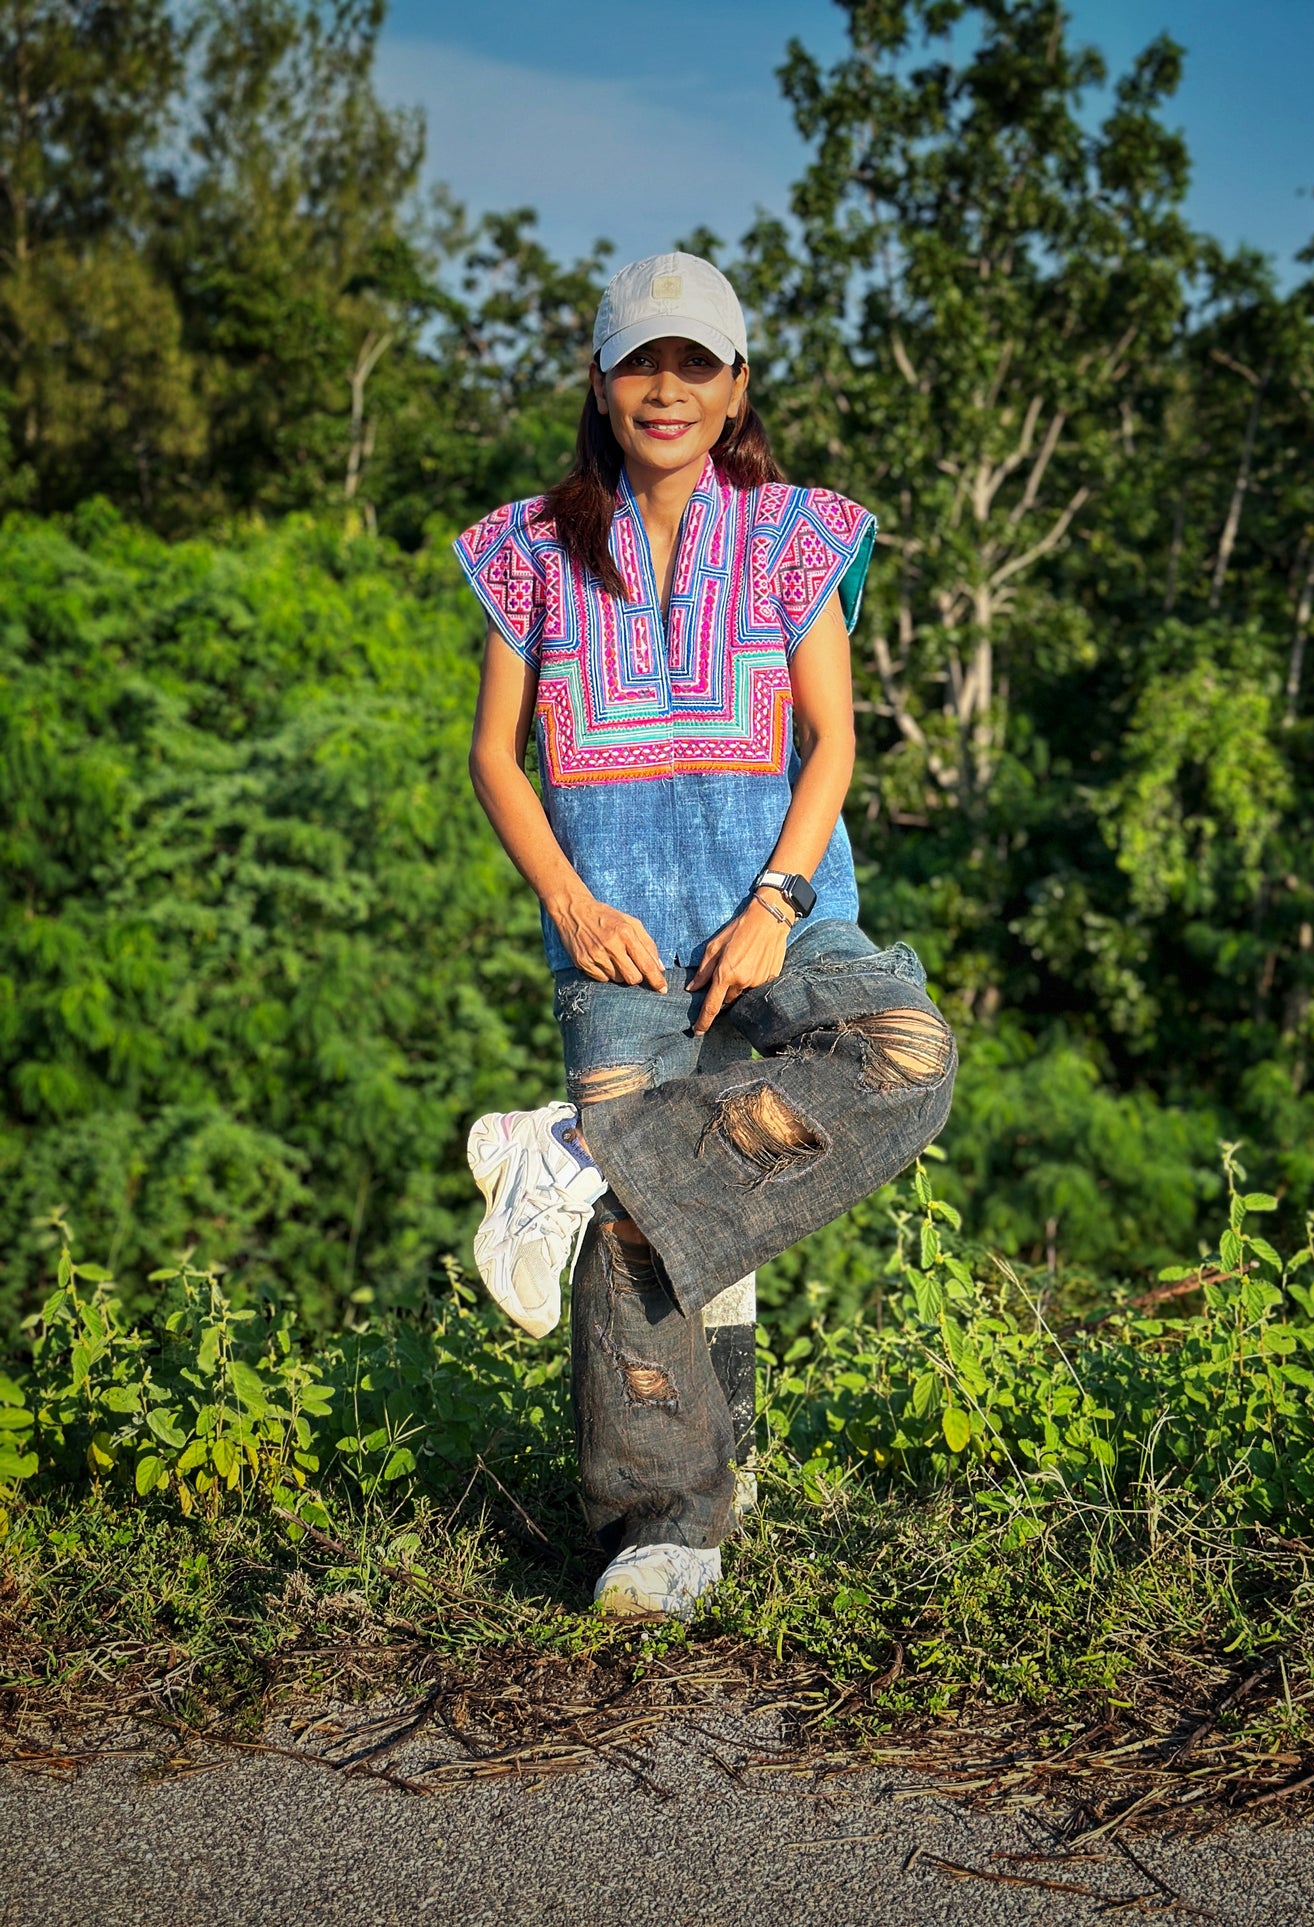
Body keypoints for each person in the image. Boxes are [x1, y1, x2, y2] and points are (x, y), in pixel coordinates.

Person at [455, 252, 957, 1620]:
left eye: (695, 363)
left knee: (904, 1055)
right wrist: (568, 900)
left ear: (737, 385)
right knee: (655, 1226)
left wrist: (777, 905)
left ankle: (565, 1156)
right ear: (599, 384)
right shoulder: (528, 549)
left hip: (782, 909)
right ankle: (665, 1527)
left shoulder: (799, 533)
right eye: (639, 363)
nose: (664, 388)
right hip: (614, 932)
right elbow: (498, 758)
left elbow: (834, 741)